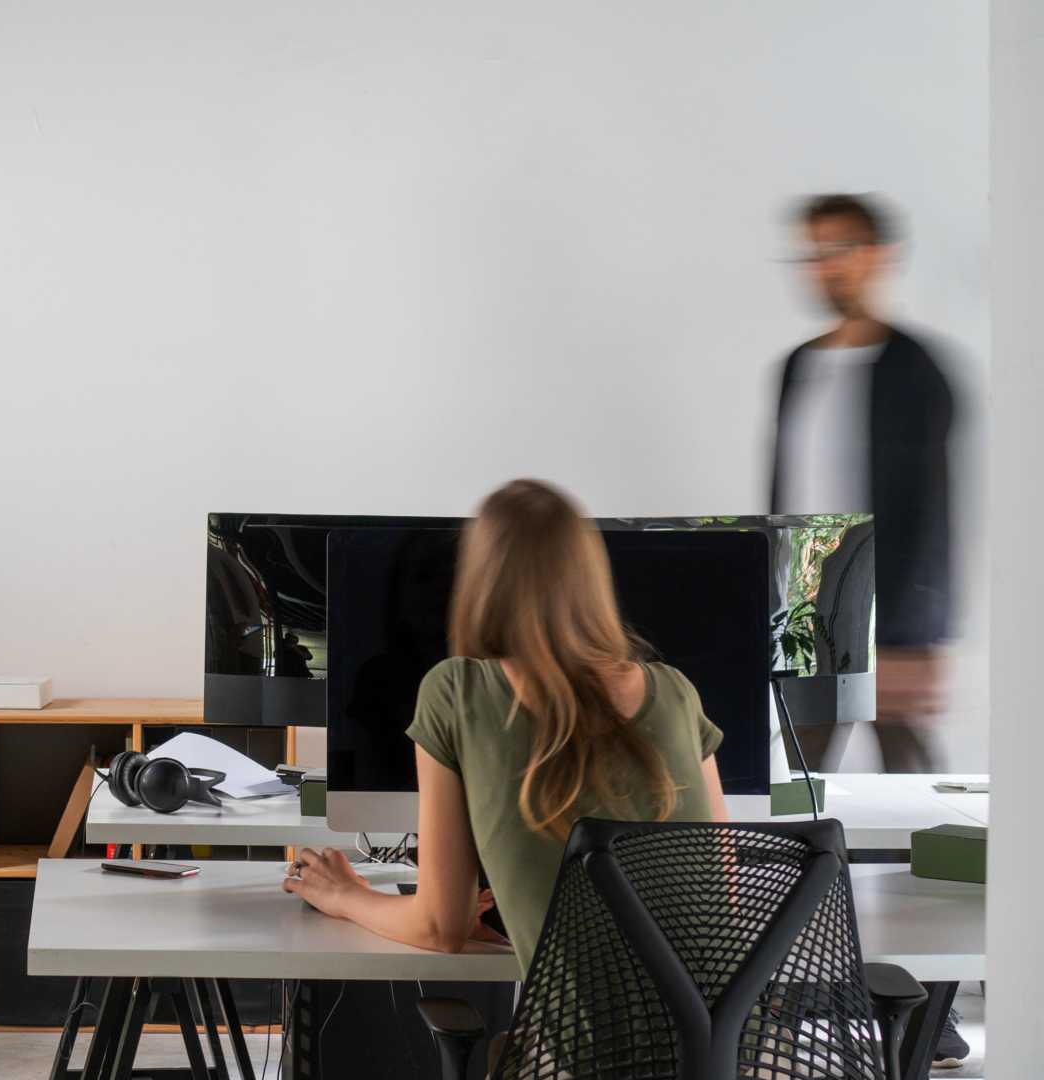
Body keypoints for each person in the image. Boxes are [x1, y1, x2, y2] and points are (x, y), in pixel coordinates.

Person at [281, 479, 727, 975]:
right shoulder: (676, 692)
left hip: (585, 1053)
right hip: (734, 1044)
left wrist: (344, 895)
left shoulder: (456, 690)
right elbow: (721, 893)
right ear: (590, 577)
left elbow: (440, 929)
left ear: (480, 580)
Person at [772, 193, 956, 777]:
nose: (826, 266)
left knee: (909, 770)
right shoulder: (799, 365)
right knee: (800, 771)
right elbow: (784, 489)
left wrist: (911, 629)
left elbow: (931, 508)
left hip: (888, 603)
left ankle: (947, 869)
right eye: (814, 253)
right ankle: (799, 868)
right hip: (806, 594)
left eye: (840, 249)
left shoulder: (915, 368)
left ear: (880, 255)